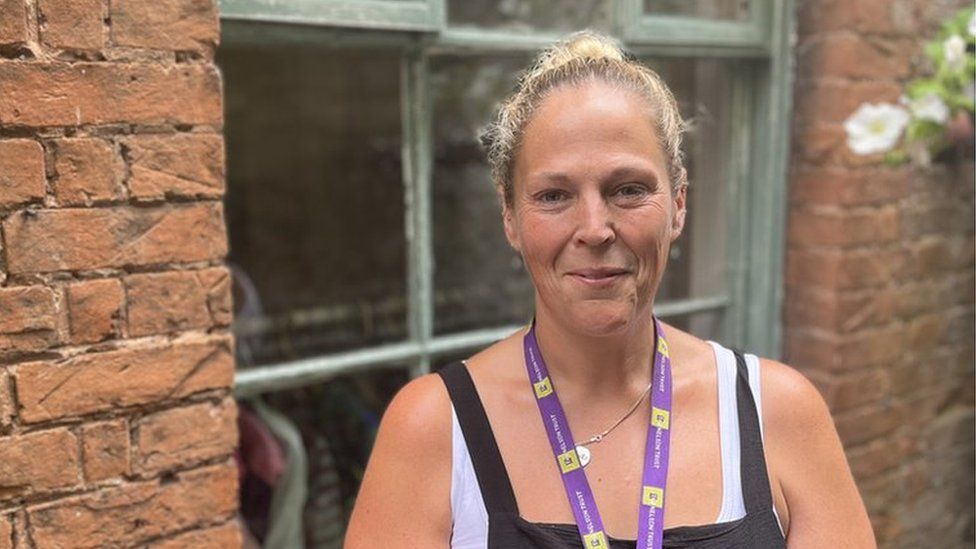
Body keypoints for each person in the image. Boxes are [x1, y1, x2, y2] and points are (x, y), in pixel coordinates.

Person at [346, 31, 876, 548]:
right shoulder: (433, 429)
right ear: (510, 215)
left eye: (628, 189)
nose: (595, 228)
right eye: (554, 195)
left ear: (679, 204)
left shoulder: (776, 413)